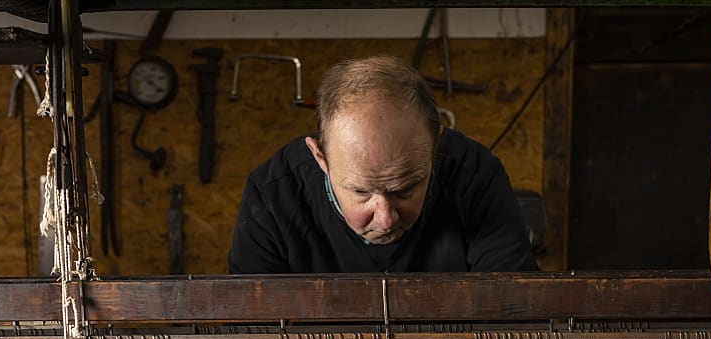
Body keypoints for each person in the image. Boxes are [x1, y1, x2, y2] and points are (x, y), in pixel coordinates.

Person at [228, 55, 537, 273]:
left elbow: (517, 325)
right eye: (361, 191)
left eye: (405, 189)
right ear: (320, 158)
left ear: (435, 148)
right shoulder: (272, 196)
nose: (386, 219)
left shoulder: (476, 176)